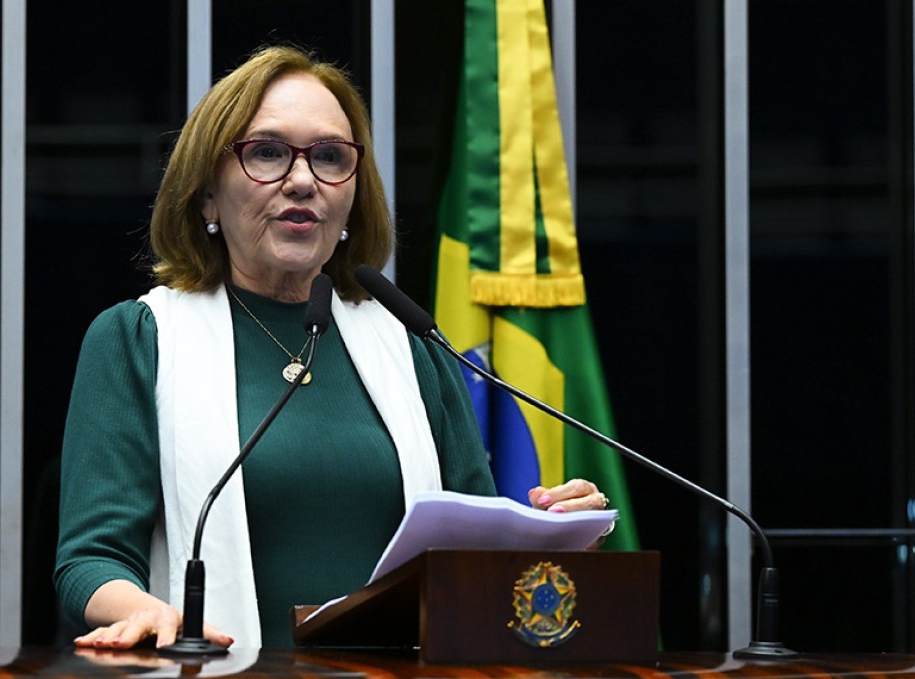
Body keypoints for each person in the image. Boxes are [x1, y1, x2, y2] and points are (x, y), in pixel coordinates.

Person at [54, 45, 610, 651]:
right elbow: (90, 560)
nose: (302, 180)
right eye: (267, 152)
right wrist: (146, 612)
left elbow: (473, 561)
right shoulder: (141, 338)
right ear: (208, 194)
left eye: (329, 157)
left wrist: (556, 534)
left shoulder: (412, 345)